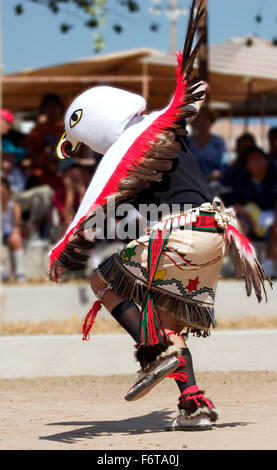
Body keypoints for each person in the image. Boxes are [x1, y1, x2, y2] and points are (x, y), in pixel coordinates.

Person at [47, 0, 271, 432]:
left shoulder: (127, 150)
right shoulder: (166, 124)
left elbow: (92, 207)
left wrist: (62, 250)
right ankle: (194, 404)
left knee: (99, 279)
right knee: (168, 322)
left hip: (179, 234)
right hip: (216, 238)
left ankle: (153, 348)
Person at [231, 146, 277, 278]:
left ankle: (268, 265)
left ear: (266, 161)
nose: (258, 163)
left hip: (271, 221)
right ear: (247, 166)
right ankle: (247, 263)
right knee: (237, 224)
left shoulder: (274, 179)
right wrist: (247, 214)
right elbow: (235, 205)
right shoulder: (241, 182)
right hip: (249, 221)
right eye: (253, 160)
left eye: (260, 159)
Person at [1, 178, 25, 282]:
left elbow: (17, 224)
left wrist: (15, 234)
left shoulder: (14, 205)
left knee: (17, 239)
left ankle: (20, 272)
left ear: (8, 191)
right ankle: (2, 271)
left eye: (2, 191)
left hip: (9, 233)